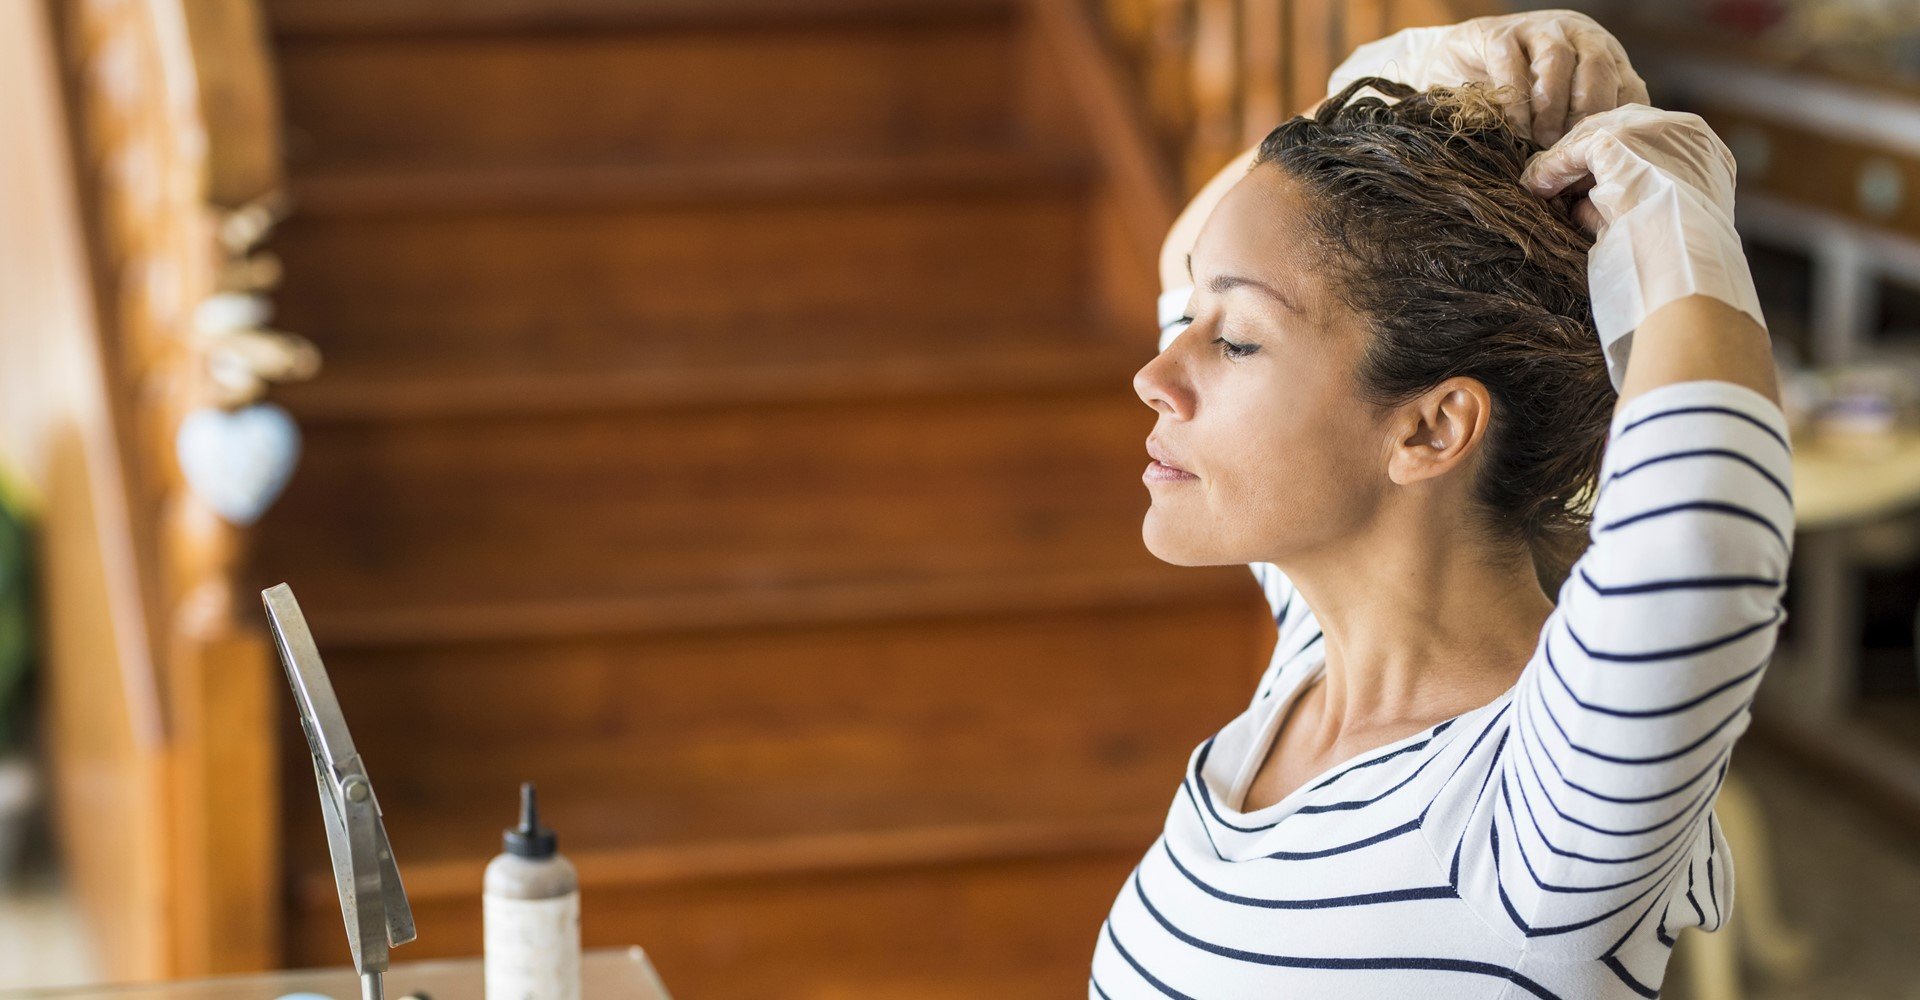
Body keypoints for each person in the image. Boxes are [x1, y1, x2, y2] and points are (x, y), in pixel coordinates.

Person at [1092, 10, 1790, 999]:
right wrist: (1381, 79)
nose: (1156, 373)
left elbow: (1700, 529)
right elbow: (1186, 260)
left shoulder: (1536, 811)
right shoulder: (1315, 664)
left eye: (1236, 339)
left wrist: (1671, 221)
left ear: (1427, 431)